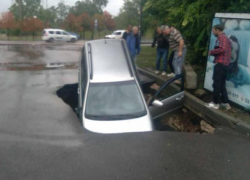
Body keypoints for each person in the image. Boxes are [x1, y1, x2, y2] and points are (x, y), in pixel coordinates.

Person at [206, 24, 232, 110]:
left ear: (218, 30)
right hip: (225, 65)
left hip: (220, 64)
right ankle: (225, 103)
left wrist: (211, 52)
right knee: (222, 84)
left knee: (216, 84)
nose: (213, 32)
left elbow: (222, 49)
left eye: (213, 30)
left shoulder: (222, 38)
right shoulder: (225, 38)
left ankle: (215, 103)